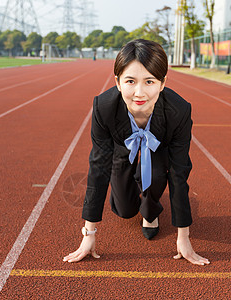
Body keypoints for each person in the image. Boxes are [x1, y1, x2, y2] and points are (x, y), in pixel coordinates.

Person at [63, 39, 210, 266]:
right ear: (118, 82)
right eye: (130, 81)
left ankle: (151, 212)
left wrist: (184, 237)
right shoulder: (103, 107)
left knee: (156, 178)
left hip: (160, 147)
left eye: (149, 81)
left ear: (162, 84)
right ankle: (129, 194)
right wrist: (88, 235)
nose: (139, 92)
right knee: (124, 209)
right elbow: (99, 166)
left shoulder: (178, 111)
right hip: (123, 147)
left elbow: (179, 172)